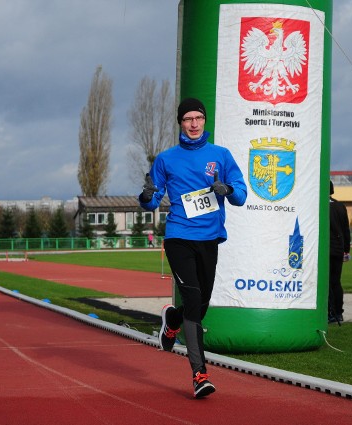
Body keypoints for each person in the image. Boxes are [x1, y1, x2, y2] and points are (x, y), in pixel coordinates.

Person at [139, 97, 247, 398]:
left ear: (205, 120)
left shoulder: (221, 156)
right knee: (193, 295)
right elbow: (150, 200)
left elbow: (241, 195)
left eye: (198, 118)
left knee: (201, 303)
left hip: (209, 238)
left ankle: (173, 320)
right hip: (178, 236)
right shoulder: (166, 159)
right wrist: (146, 194)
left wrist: (228, 189)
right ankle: (200, 375)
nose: (194, 124)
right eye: (188, 119)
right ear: (180, 124)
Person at [328, 181, 351, 325]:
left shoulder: (320, 206)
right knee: (336, 282)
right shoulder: (340, 206)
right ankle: (338, 312)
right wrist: (346, 249)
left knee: (327, 282)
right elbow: (346, 230)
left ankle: (330, 312)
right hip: (338, 249)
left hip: (326, 249)